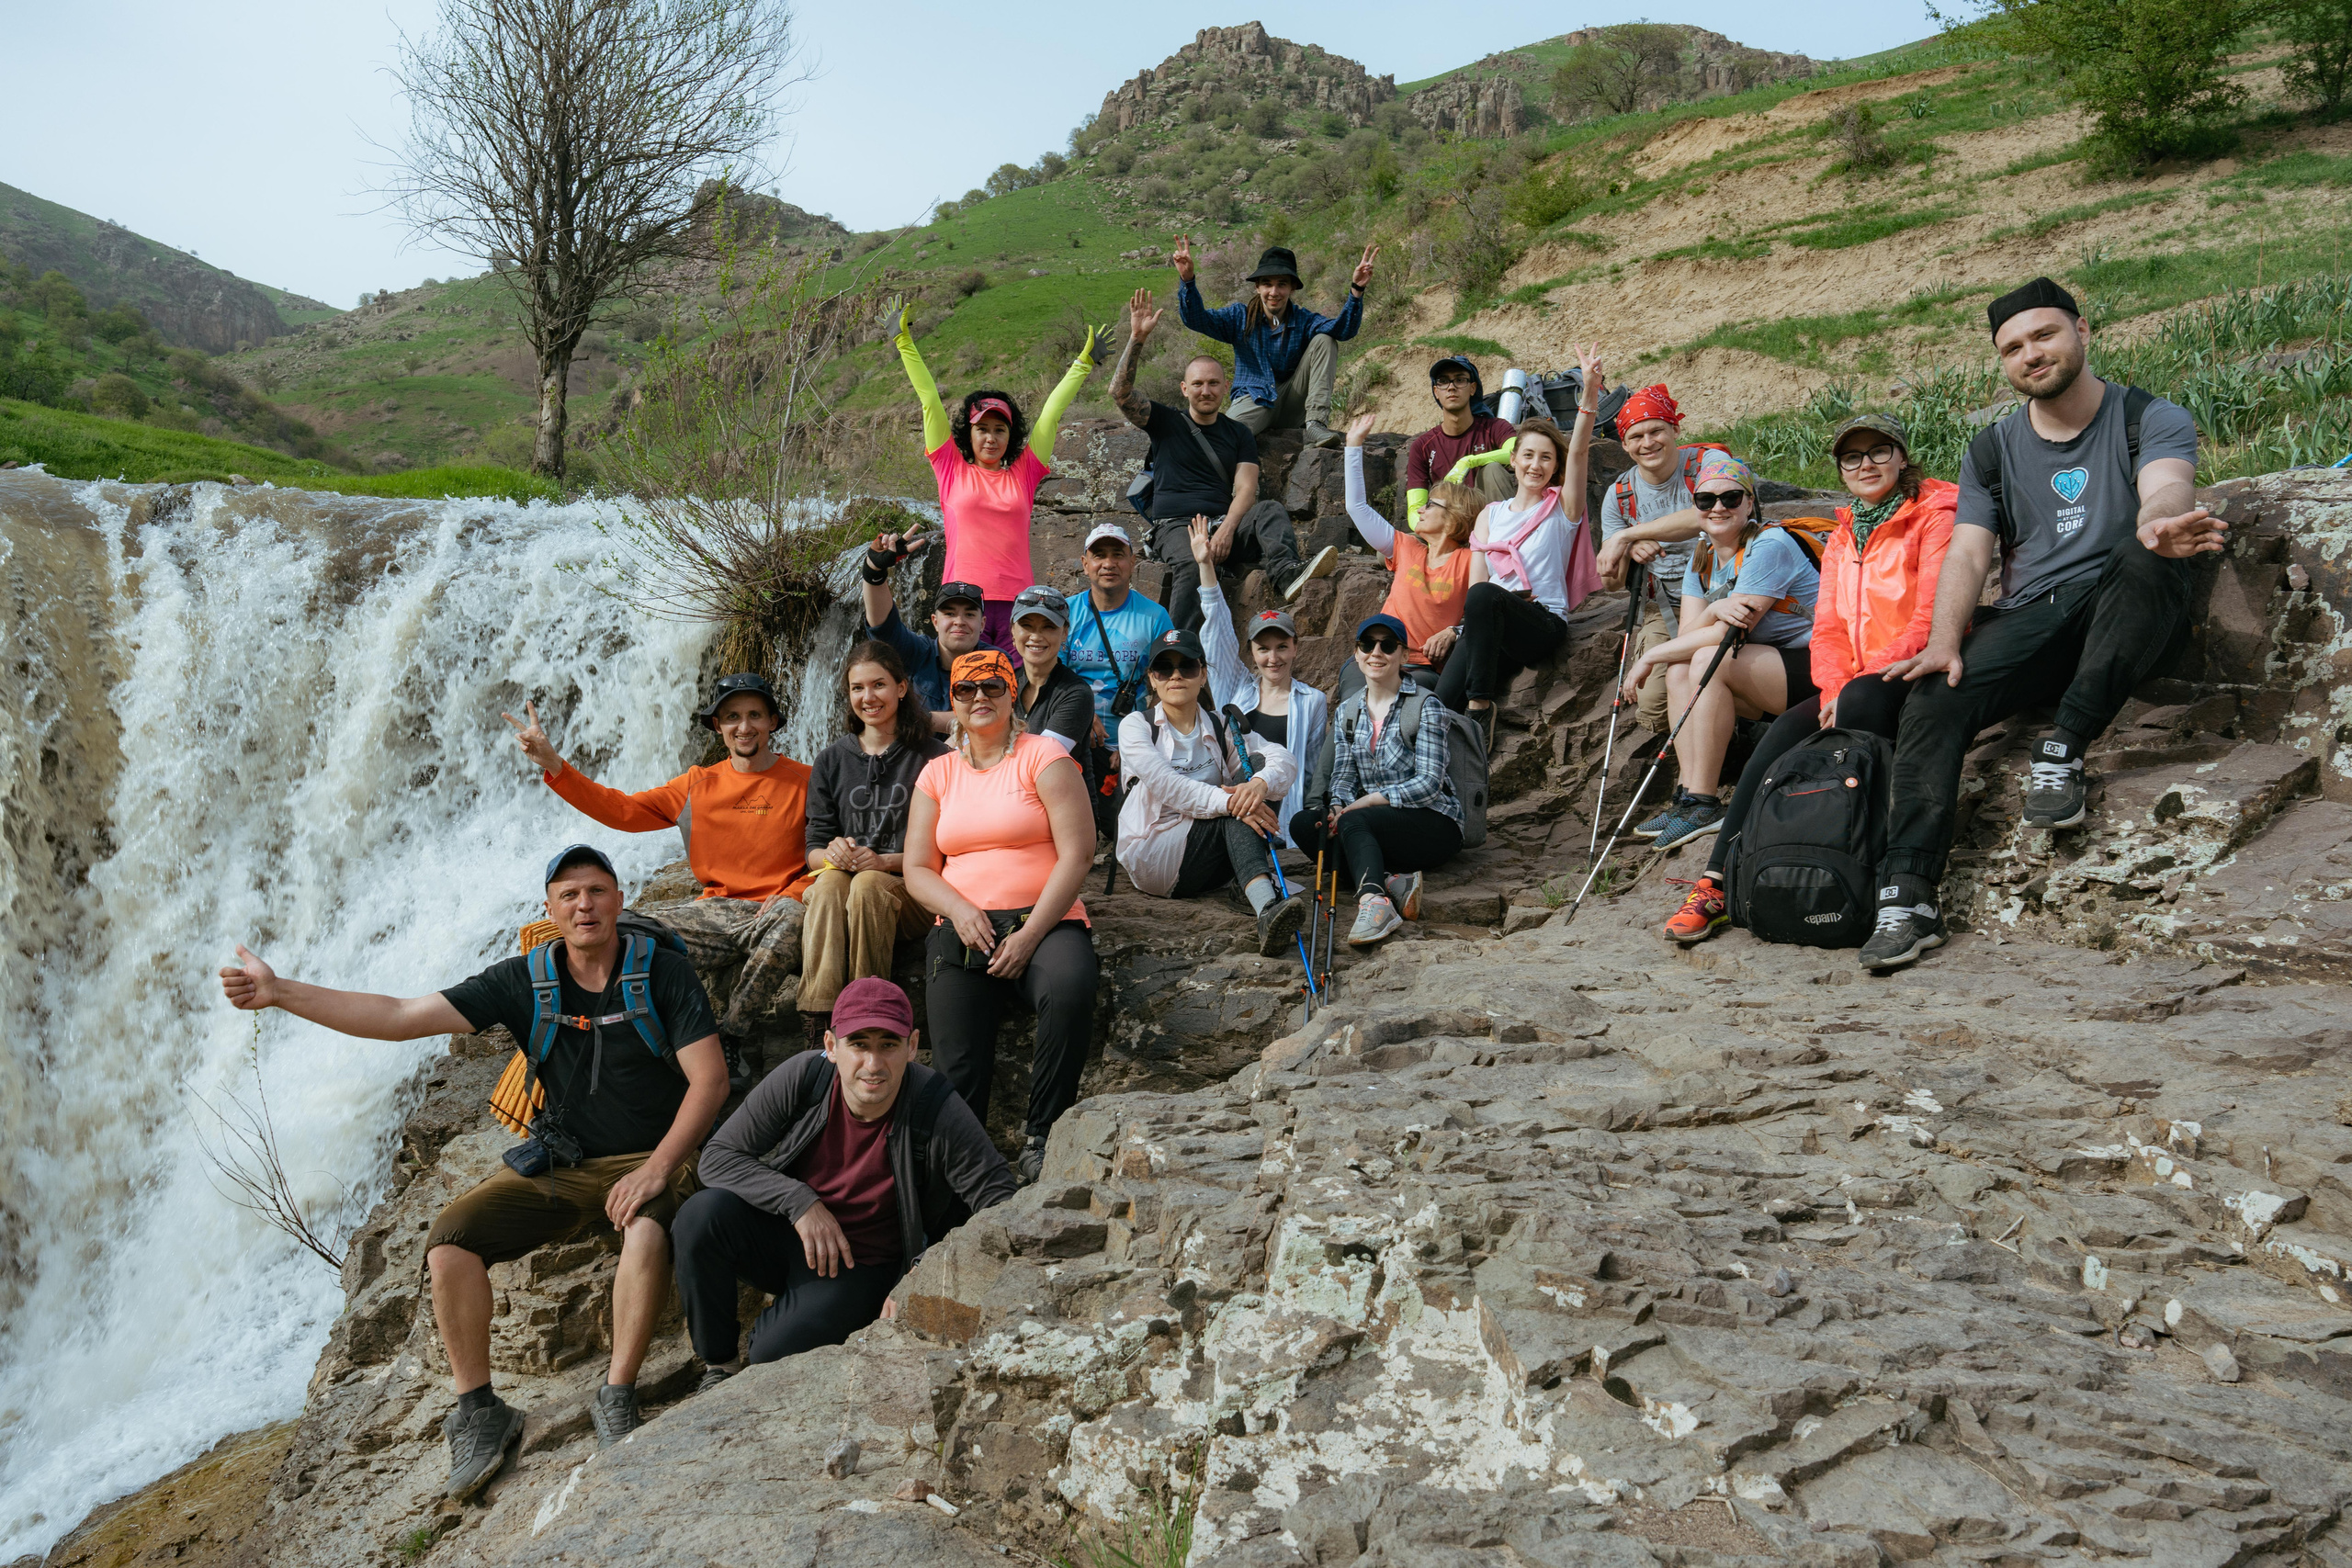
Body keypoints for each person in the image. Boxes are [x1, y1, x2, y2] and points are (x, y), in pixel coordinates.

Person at [219, 845, 729, 1492]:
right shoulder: (527, 980)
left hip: (654, 1156)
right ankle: (480, 1408)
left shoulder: (662, 973)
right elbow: (401, 1017)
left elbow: (709, 1082)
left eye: (597, 891)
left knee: (647, 1227)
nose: (584, 904)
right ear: (549, 909)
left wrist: (658, 1169)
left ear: (619, 901)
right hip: (565, 1160)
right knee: (450, 1239)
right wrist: (279, 991)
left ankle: (617, 1393)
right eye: (568, 894)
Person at [1860, 276, 2216, 971]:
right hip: (2038, 619)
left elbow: (2166, 489)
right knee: (1935, 696)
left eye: (2044, 334)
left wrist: (2161, 525)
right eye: (2013, 347)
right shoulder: (1991, 449)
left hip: (2127, 603)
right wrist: (1944, 640)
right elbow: (1969, 549)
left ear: (2083, 331)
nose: (2031, 353)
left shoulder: (2149, 417)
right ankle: (1908, 894)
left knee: (2141, 553)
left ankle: (2065, 747)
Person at [1662, 414, 1957, 943]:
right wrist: (1835, 684)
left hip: (1913, 665)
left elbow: (1930, 616)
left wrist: (1858, 682)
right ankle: (1717, 879)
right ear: (1841, 471)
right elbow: (1829, 627)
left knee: (1862, 706)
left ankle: (1866, 876)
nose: (1865, 464)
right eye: (1852, 457)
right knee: (1776, 745)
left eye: (1878, 451)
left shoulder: (1934, 516)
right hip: (1851, 677)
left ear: (1902, 456)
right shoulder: (1846, 531)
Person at [673, 977, 1015, 1389]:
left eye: (888, 1044)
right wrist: (799, 1201)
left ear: (912, 1045)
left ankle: (788, 1329)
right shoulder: (805, 1076)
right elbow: (718, 1158)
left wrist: (924, 1275)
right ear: (832, 1046)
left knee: (769, 1356)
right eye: (859, 1044)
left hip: (862, 1265)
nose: (873, 1064)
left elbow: (1002, 1203)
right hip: (791, 1235)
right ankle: (720, 1366)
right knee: (700, 1215)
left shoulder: (935, 1105)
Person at [507, 674, 811, 1075]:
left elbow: (834, 849)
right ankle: (629, 1043)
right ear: (717, 726)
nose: (744, 726)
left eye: (755, 714)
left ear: (772, 720)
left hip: (776, 910)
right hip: (715, 913)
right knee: (628, 933)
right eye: (732, 716)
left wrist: (797, 890)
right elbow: (622, 811)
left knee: (791, 918)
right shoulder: (696, 784)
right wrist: (555, 766)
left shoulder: (808, 780)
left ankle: (733, 1034)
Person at [904, 649, 1100, 1184]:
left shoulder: (1044, 757)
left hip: (1048, 920)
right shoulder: (937, 773)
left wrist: (1032, 933)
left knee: (1069, 990)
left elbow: (1079, 852)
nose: (980, 698)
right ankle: (968, 1172)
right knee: (956, 1058)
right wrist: (959, 908)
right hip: (964, 925)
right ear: (955, 701)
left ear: (1013, 694)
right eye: (966, 690)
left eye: (992, 687)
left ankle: (1042, 1137)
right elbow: (919, 868)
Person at [1618, 450, 1821, 852]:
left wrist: (1648, 656)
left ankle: (1707, 800)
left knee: (1709, 660)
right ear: (1695, 507)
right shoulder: (1704, 555)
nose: (1718, 508)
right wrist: (1712, 607)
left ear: (1749, 502)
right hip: (1769, 667)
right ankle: (1689, 795)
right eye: (1706, 500)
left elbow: (1729, 635)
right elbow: (1694, 630)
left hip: (1819, 668)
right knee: (1680, 670)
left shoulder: (1770, 545)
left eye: (1731, 498)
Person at [1109, 288, 1332, 633]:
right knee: (1191, 563)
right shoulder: (1165, 421)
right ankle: (1177, 648)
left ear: (1225, 387)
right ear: (1185, 389)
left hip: (1221, 524)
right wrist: (1136, 338)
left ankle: (1286, 574)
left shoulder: (1239, 433)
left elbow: (1246, 488)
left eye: (1214, 383)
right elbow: (1120, 393)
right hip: (1176, 526)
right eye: (1197, 384)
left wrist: (1228, 527)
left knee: (1269, 511)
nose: (1206, 390)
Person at [895, 306, 1099, 651]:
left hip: (1020, 604)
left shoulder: (1024, 473)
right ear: (969, 434)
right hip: (963, 606)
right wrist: (904, 343)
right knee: (966, 690)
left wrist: (1083, 364)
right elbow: (930, 400)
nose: (991, 438)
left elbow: (1050, 415)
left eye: (999, 430)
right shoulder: (950, 468)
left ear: (1010, 435)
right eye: (983, 429)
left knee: (1015, 694)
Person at [1116, 618, 1308, 955]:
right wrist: (1233, 801)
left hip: (1207, 854)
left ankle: (1246, 883)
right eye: (1164, 668)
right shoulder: (1137, 726)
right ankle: (1266, 909)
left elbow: (1282, 758)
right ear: (1152, 679)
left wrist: (1259, 785)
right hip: (1155, 851)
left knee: (1259, 771)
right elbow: (1168, 786)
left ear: (1202, 674)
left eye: (1187, 666)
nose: (1176, 676)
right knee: (1236, 808)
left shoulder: (1221, 724)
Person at [799, 643, 949, 1043]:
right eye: (857, 688)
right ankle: (820, 1021)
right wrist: (828, 854)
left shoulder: (934, 757)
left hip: (912, 893)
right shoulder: (831, 760)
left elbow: (949, 847)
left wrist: (883, 862)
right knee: (828, 883)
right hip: (845, 891)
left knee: (867, 885)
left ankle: (867, 1017)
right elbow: (812, 848)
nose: (868, 698)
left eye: (879, 685)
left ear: (901, 688)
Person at [1289, 614, 1465, 950]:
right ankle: (1390, 882)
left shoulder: (1427, 706)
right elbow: (1342, 775)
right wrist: (1338, 806)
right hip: (1372, 825)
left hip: (1435, 824)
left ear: (1404, 655)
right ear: (1357, 655)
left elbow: (1429, 783)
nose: (1376, 652)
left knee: (1355, 820)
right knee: (1305, 824)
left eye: (1388, 645)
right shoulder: (1348, 711)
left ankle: (1375, 903)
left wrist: (1366, 802)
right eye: (1367, 645)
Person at [1432, 412, 1602, 750]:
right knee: (1436, 708)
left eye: (1546, 458)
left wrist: (1588, 401)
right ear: (1513, 459)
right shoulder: (1490, 514)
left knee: (1485, 596)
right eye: (1528, 455)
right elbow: (1476, 588)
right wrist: (1461, 629)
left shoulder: (1562, 508)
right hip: (1492, 620)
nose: (1535, 465)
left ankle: (1480, 707)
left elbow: (1580, 452)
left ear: (1556, 466)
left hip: (1541, 621)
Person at [1588, 378, 1714, 735]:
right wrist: (1627, 552)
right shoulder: (1620, 493)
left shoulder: (1707, 462)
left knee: (1709, 679)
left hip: (1720, 595)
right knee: (1654, 705)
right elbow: (1611, 582)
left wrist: (1632, 534)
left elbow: (1706, 514)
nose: (1648, 443)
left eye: (1656, 430)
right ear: (1624, 445)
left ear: (1675, 428)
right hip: (1664, 606)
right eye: (1636, 436)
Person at [1193, 523, 1329, 850]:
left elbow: (1312, 770)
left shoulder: (1313, 701)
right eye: (1263, 648)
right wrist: (1205, 566)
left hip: (1287, 828)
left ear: (1295, 648)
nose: (1273, 658)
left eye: (1282, 646)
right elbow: (1218, 635)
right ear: (1251, 652)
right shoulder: (1235, 690)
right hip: (1238, 817)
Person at [1173, 236, 1375, 449]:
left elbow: (1343, 330)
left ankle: (1315, 424)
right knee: (1225, 441)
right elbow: (1196, 320)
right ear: (1257, 287)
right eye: (1267, 284)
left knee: (1325, 340)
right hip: (1254, 399)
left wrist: (1356, 290)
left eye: (1282, 284)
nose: (1274, 292)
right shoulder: (1238, 317)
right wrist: (1187, 280)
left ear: (1292, 288)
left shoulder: (1303, 319)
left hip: (1293, 402)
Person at [1340, 411, 1476, 702]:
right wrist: (1353, 446)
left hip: (1419, 668)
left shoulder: (1469, 562)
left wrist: (1454, 631)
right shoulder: (1407, 547)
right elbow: (1357, 508)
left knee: (1404, 714)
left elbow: (1490, 607)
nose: (1420, 509)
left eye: (1431, 505)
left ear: (1454, 520)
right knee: (1353, 710)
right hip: (1372, 656)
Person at [860, 528, 987, 731]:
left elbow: (998, 717)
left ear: (982, 624)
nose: (959, 621)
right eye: (950, 614)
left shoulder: (996, 661)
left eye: (970, 615)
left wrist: (917, 719)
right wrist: (874, 571)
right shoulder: (917, 651)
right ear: (935, 622)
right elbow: (882, 625)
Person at [1061, 521, 1174, 732]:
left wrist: (1144, 735)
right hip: (1073, 732)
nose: (1109, 563)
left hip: (1133, 738)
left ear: (1132, 562)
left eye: (1118, 555)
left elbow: (1169, 682)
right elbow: (1050, 675)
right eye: (1099, 555)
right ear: (1085, 564)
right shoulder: (1065, 613)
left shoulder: (1154, 617)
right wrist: (1081, 715)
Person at [1403, 355, 1520, 523]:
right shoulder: (1422, 446)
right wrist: (1428, 533)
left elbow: (1515, 454)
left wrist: (1469, 461)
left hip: (1489, 522)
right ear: (1436, 391)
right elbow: (1415, 509)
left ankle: (1501, 543)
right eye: (1443, 381)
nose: (1451, 387)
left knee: (1492, 469)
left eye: (1460, 380)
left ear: (1472, 388)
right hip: (1447, 524)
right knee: (1395, 544)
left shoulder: (1495, 428)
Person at [1007, 583, 1098, 756]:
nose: (1035, 636)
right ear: (1013, 630)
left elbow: (1042, 758)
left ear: (1064, 633)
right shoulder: (1003, 684)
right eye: (1027, 626)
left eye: (1048, 627)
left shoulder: (1076, 693)